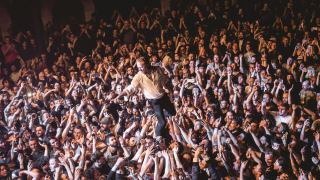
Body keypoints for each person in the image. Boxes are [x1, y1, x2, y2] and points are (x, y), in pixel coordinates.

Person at [113, 58, 176, 137]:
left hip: (163, 96)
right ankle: (157, 138)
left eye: (141, 67)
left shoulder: (157, 69)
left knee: (173, 113)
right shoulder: (138, 77)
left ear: (146, 65)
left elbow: (165, 80)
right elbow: (131, 88)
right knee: (162, 122)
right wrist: (119, 96)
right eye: (138, 67)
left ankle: (161, 114)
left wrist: (170, 92)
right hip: (154, 101)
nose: (139, 69)